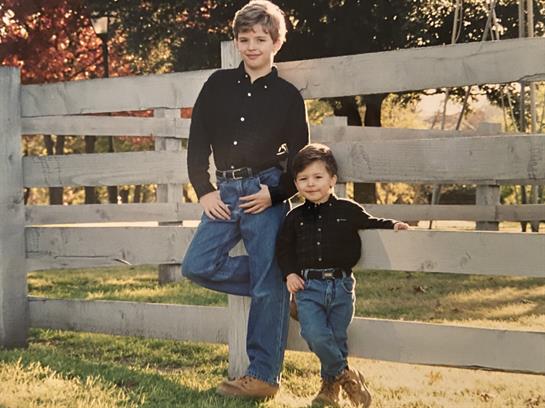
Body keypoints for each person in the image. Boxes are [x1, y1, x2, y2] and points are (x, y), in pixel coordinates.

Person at [181, 0, 309, 400]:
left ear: (276, 42)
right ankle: (275, 284)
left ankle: (263, 377)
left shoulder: (288, 96)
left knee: (268, 283)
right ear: (236, 42)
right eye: (244, 39)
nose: (251, 46)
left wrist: (275, 193)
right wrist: (203, 189)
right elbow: (198, 141)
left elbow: (301, 159)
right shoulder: (217, 84)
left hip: (266, 191)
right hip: (225, 191)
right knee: (197, 266)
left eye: (260, 38)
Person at [276, 143, 409, 407]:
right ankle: (348, 376)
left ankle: (329, 391)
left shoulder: (347, 210)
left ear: (332, 180)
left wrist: (393, 224)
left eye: (317, 177)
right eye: (303, 179)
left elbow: (371, 222)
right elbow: (283, 248)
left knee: (336, 338)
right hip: (308, 287)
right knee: (314, 334)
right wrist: (289, 274)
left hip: (341, 286)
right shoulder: (294, 217)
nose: (310, 184)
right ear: (296, 183)